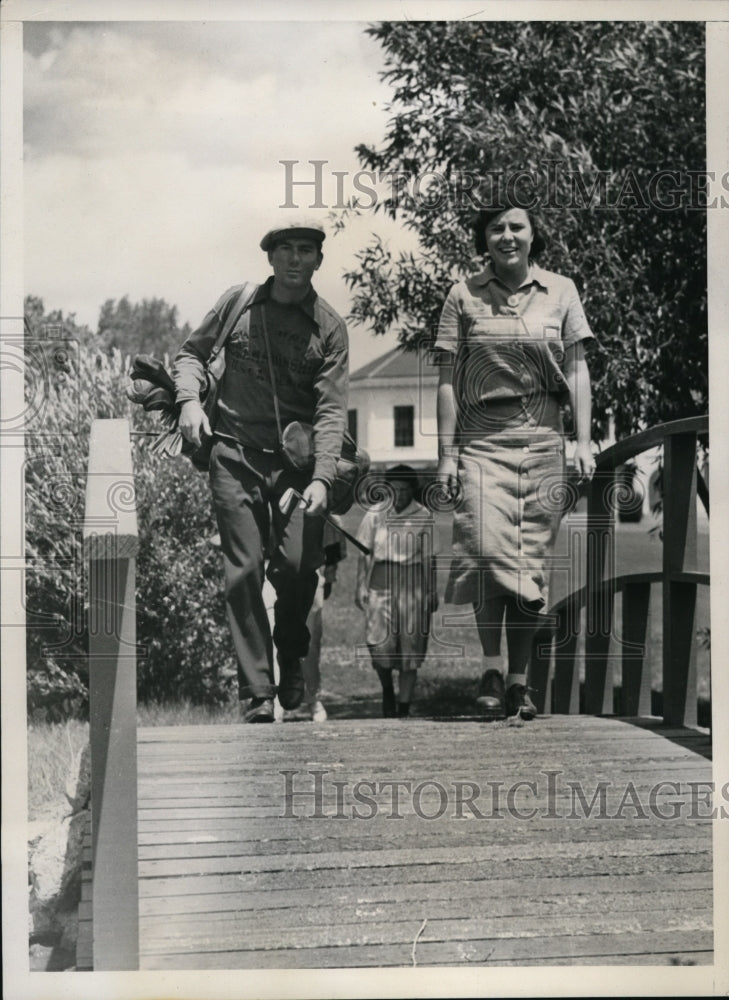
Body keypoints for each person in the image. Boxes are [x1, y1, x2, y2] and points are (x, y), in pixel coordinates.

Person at [174, 219, 348, 723]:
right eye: (285, 250)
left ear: (319, 260)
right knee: (243, 569)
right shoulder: (238, 303)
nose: (295, 259)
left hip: (297, 466)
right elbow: (191, 354)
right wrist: (189, 401)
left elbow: (332, 411)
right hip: (234, 453)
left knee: (297, 565)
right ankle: (257, 691)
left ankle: (290, 649)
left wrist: (322, 478)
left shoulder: (330, 328)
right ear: (270, 258)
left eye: (307, 250)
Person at [434, 201, 595, 721]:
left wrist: (583, 439)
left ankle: (520, 683)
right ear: (484, 238)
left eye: (516, 227)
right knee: (484, 551)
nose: (507, 236)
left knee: (529, 565)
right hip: (481, 439)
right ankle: (490, 667)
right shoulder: (462, 294)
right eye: (496, 228)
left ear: (533, 235)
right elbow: (446, 381)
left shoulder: (562, 291)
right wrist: (446, 455)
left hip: (544, 436)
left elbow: (576, 369)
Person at [355, 465, 438, 718]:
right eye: (395, 489)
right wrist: (361, 585)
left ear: (413, 490)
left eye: (405, 489)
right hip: (381, 577)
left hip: (411, 579)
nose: (400, 494)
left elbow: (429, 559)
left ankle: (403, 707)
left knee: (410, 645)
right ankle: (387, 688)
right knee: (379, 642)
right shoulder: (375, 513)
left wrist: (430, 591)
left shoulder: (423, 515)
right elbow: (364, 552)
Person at [262, 517, 346, 722]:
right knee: (272, 636)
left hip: (307, 568)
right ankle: (275, 699)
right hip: (270, 567)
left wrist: (330, 572)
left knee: (310, 640)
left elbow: (331, 530)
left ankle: (312, 697)